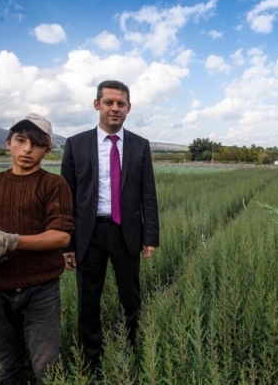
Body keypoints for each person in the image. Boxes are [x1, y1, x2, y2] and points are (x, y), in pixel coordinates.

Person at [0, 113, 74, 384]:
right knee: (7, 363)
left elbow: (61, 237)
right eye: (21, 140)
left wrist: (12, 240)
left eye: (36, 144)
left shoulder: (53, 184)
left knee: (45, 365)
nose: (27, 149)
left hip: (41, 288)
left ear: (46, 150)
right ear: (8, 142)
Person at [60, 80, 159, 375]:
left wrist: (150, 235)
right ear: (97, 105)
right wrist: (67, 243)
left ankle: (133, 351)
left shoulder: (140, 145)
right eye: (109, 102)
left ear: (128, 108)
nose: (115, 108)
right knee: (88, 302)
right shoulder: (76, 144)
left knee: (131, 298)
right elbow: (66, 196)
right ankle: (92, 364)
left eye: (121, 103)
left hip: (125, 233)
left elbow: (148, 194)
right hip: (88, 235)